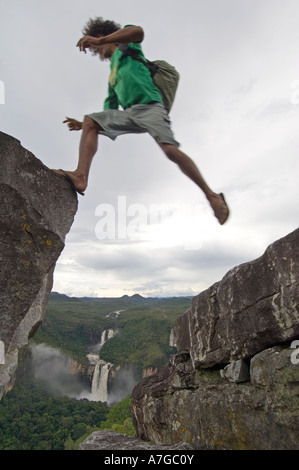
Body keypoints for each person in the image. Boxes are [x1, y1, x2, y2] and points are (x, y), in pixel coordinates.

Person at [53, 18, 229, 225]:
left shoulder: (127, 46)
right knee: (91, 119)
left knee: (170, 151)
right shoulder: (112, 76)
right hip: (130, 114)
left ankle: (212, 195)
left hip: (151, 107)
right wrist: (84, 126)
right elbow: (109, 113)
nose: (97, 51)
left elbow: (138, 31)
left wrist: (101, 40)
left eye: (97, 46)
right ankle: (80, 176)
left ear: (104, 36)